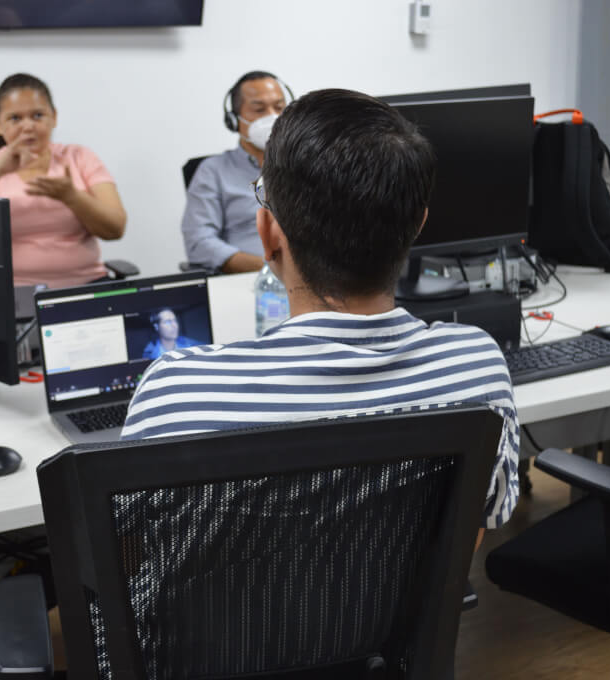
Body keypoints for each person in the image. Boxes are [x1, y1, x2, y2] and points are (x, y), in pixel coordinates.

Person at [124, 89, 519, 536]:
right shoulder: (476, 365)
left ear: (268, 234)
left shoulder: (176, 392)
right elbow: (476, 527)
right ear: (418, 225)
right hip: (401, 609)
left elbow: (131, 562)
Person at [0, 73, 126, 289]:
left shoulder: (78, 157)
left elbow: (115, 228)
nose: (28, 126)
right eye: (15, 118)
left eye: (38, 115)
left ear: (54, 117)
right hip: (11, 294)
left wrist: (72, 197)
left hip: (85, 286)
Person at [180, 71, 292, 274]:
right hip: (247, 281)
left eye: (279, 108)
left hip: (316, 284)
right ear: (233, 120)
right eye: (259, 109)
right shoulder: (213, 171)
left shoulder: (306, 165)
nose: (272, 117)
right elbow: (199, 242)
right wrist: (269, 270)